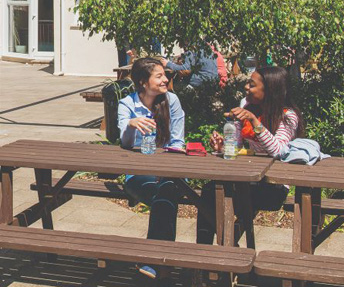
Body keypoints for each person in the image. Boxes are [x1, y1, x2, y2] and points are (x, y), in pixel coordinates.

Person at [197, 66, 304, 244]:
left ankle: (227, 250)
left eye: (252, 85)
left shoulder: (288, 116)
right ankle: (205, 253)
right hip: (246, 181)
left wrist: (254, 121)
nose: (246, 87)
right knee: (210, 192)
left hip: (272, 188)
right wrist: (223, 146)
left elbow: (278, 151)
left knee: (215, 197)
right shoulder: (246, 107)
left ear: (269, 90)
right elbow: (237, 146)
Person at [117, 57, 185, 282]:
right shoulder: (128, 104)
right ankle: (161, 265)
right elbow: (125, 144)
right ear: (143, 82)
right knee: (165, 198)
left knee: (166, 192)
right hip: (138, 173)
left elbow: (177, 142)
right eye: (159, 76)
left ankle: (153, 263)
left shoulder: (172, 101)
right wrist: (130, 124)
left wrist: (166, 166)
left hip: (167, 172)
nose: (166, 79)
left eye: (165, 75)